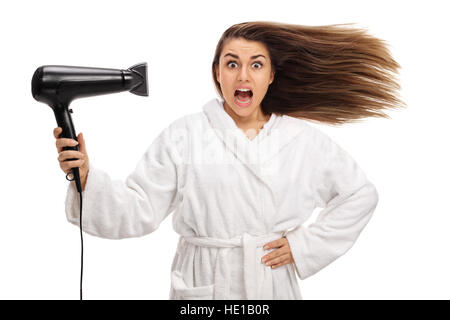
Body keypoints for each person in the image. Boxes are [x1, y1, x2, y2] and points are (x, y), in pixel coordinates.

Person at [54, 21, 405, 299]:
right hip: (205, 284)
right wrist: (86, 176)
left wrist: (304, 246)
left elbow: (359, 194)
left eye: (256, 65)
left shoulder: (303, 140)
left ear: (271, 76)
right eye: (232, 64)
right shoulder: (185, 135)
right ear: (217, 73)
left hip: (269, 282)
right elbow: (138, 209)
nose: (243, 76)